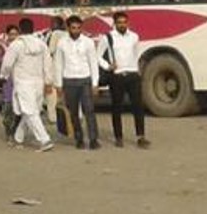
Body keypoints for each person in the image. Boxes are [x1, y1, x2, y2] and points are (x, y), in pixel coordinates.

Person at [0, 17, 56, 151]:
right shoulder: (41, 44)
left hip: (23, 83)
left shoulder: (16, 45)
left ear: (20, 30)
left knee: (30, 113)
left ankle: (44, 140)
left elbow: (7, 64)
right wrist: (48, 81)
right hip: (38, 83)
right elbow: (48, 64)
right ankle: (18, 138)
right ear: (33, 28)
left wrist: (3, 76)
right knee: (30, 112)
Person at [53, 15, 102, 150]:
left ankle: (93, 139)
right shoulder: (62, 43)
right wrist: (58, 84)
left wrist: (95, 83)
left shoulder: (88, 42)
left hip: (85, 79)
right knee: (73, 112)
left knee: (89, 110)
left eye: (78, 28)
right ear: (68, 28)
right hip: (69, 81)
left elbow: (93, 63)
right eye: (73, 28)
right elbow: (58, 64)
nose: (76, 31)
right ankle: (79, 138)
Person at [102, 11, 148, 148]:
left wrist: (138, 69)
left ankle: (141, 136)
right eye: (119, 22)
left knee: (138, 106)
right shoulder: (108, 38)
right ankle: (118, 137)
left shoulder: (134, 37)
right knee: (117, 107)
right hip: (117, 75)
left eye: (124, 22)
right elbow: (98, 56)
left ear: (128, 23)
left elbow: (136, 54)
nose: (122, 25)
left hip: (132, 74)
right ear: (114, 23)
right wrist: (108, 66)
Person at [0, 24, 20, 143]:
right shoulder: (2, 47)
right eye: (11, 34)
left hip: (19, 80)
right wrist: (8, 56)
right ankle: (9, 132)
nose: (13, 37)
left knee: (20, 109)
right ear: (8, 35)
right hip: (7, 82)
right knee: (8, 108)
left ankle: (16, 132)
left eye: (16, 34)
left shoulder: (21, 46)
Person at [44, 15, 65, 126]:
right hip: (65, 68)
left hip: (54, 67)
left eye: (53, 23)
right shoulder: (66, 34)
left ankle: (53, 117)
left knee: (51, 94)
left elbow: (50, 50)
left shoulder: (55, 34)